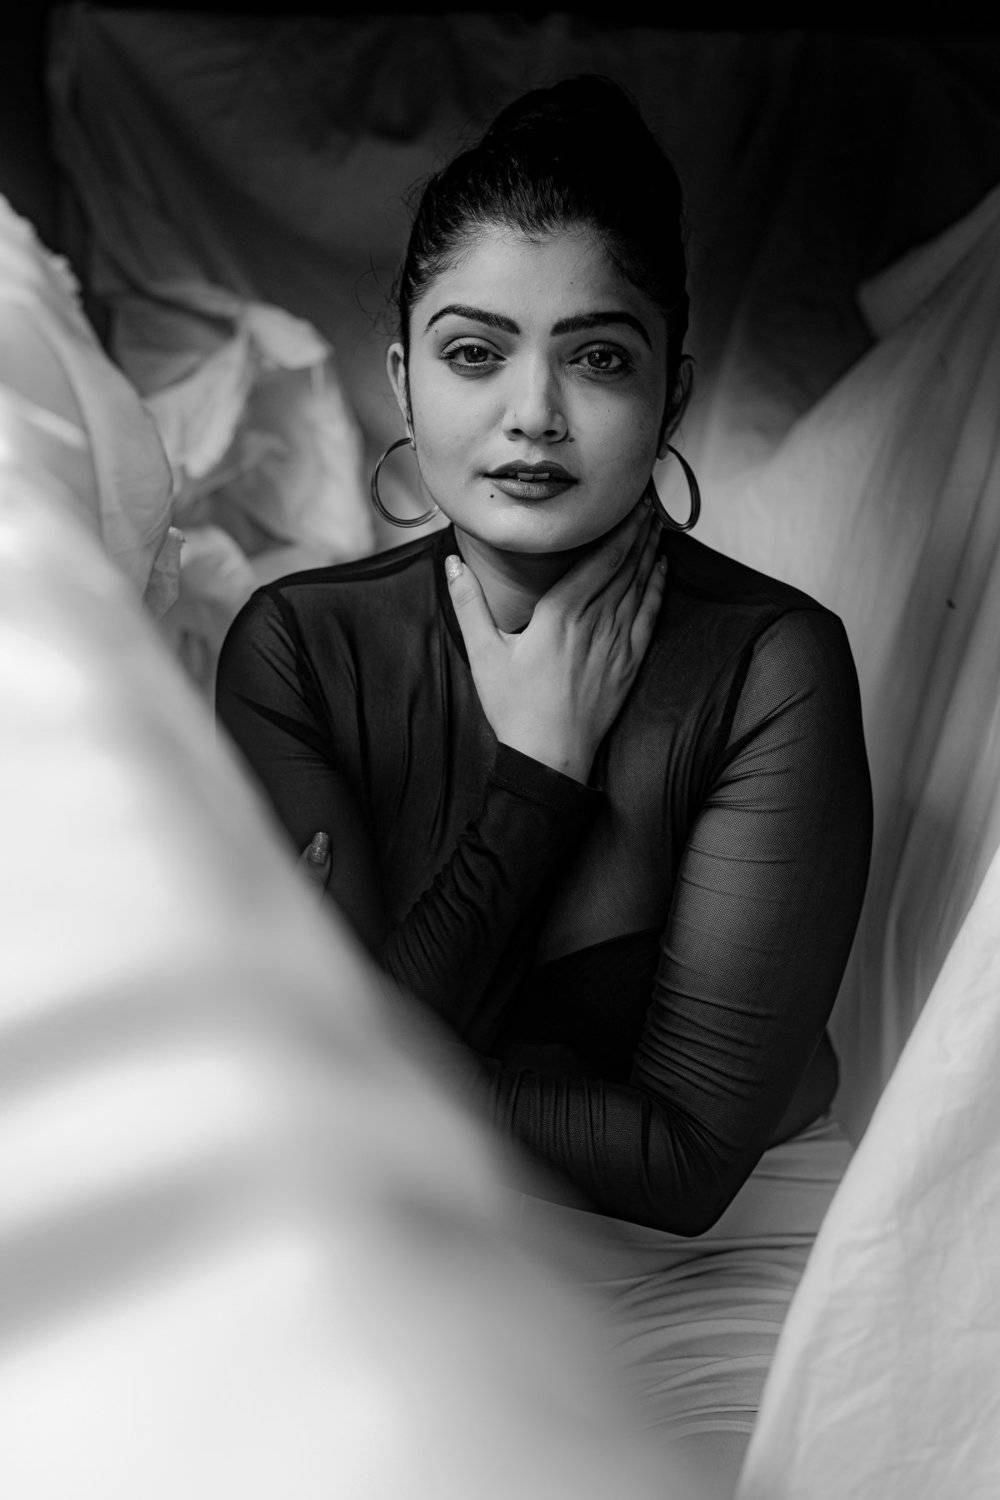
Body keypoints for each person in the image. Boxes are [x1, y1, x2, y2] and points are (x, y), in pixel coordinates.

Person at [216, 75, 872, 1491]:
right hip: (402, 1248)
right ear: (402, 375)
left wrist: (357, 1029)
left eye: (599, 360)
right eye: (474, 353)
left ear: (672, 387)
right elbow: (332, 1122)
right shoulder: (297, 650)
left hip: (714, 1267)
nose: (534, 416)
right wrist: (538, 769)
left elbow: (686, 1165)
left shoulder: (772, 666)